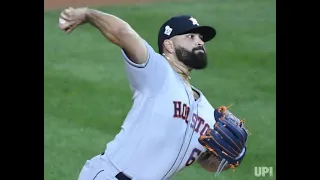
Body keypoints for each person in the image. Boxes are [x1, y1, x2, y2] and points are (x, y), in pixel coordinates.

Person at [58, 7, 246, 180]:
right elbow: (124, 33)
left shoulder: (207, 112)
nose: (199, 41)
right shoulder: (156, 71)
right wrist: (88, 15)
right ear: (169, 46)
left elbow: (207, 163)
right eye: (190, 36)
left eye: (201, 38)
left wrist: (232, 156)